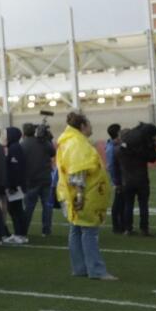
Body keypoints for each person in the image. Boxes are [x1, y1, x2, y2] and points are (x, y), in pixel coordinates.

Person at [56, 112, 116, 280]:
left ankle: (80, 268)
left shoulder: (69, 141)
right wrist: (80, 195)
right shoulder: (77, 143)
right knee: (89, 232)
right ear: (82, 126)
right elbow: (78, 169)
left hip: (72, 193)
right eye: (88, 124)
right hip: (86, 194)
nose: (91, 127)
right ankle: (96, 270)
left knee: (76, 230)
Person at [115, 123, 156, 236]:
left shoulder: (120, 150)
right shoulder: (141, 150)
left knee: (128, 205)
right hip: (141, 180)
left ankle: (128, 229)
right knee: (143, 205)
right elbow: (152, 158)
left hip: (127, 180)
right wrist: (153, 146)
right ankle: (144, 229)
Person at [20, 121, 56, 237]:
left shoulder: (23, 144)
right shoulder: (43, 142)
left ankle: (23, 231)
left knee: (29, 207)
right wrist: (48, 139)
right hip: (45, 178)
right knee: (47, 206)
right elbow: (53, 153)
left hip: (31, 180)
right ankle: (46, 230)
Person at [2, 126, 28, 244]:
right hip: (16, 185)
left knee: (16, 210)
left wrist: (12, 185)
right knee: (16, 210)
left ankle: (20, 234)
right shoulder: (14, 147)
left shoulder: (14, 148)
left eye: (6, 134)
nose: (4, 136)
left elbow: (15, 168)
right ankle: (19, 233)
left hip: (15, 186)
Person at [106, 123, 125, 234]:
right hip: (118, 180)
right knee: (118, 203)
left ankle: (120, 225)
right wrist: (116, 182)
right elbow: (112, 166)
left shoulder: (113, 145)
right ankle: (117, 226)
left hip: (120, 178)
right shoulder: (112, 148)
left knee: (120, 202)